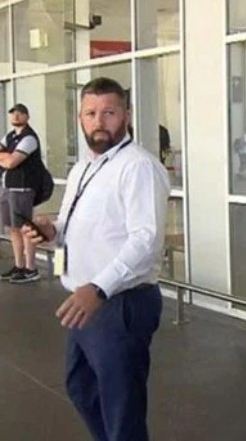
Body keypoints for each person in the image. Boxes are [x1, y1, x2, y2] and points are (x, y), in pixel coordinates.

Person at [23, 77, 170, 440]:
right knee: (82, 390)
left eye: (109, 112)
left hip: (118, 302)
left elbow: (146, 240)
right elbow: (77, 223)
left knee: (122, 407)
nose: (99, 121)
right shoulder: (84, 166)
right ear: (80, 119)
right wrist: (51, 231)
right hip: (85, 301)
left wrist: (99, 288)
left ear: (126, 115)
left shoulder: (137, 166)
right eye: (91, 113)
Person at [0, 103, 44, 284]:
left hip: (23, 188)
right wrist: (6, 157)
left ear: (27, 117)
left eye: (20, 114)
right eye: (13, 114)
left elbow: (12, 163)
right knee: (12, 228)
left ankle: (31, 268)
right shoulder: (9, 136)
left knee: (25, 228)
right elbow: (7, 158)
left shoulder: (29, 138)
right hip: (8, 187)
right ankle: (19, 265)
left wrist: (6, 157)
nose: (16, 117)